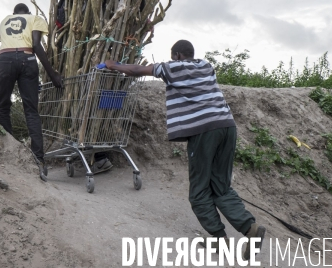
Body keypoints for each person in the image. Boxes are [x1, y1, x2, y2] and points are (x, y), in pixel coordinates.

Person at [105, 39, 266, 261]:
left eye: (173, 57)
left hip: (204, 131)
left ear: (178, 56)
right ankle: (251, 229)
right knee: (220, 185)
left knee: (199, 190)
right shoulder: (207, 66)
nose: (172, 61)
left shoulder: (173, 67)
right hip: (227, 126)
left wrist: (113, 65)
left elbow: (137, 70)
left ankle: (219, 239)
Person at [0, 3, 63, 174]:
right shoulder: (35, 18)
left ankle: (9, 152)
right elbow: (35, 44)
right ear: (28, 12)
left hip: (5, 59)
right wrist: (53, 73)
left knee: (3, 106)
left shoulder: (5, 21)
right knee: (31, 111)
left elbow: (6, 42)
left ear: (13, 13)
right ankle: (39, 160)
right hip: (27, 59)